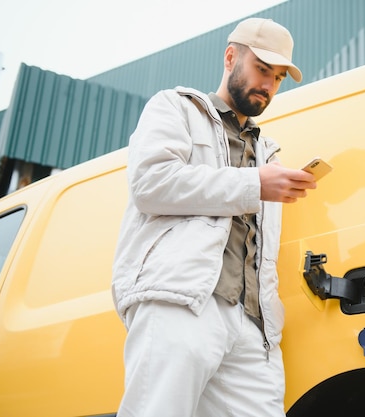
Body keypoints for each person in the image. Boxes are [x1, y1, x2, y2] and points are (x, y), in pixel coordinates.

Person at [111, 17, 316, 417]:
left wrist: (267, 328)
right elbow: (151, 183)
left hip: (252, 327)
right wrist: (254, 185)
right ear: (229, 57)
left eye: (277, 78)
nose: (268, 86)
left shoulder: (267, 153)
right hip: (182, 303)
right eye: (262, 69)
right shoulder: (174, 107)